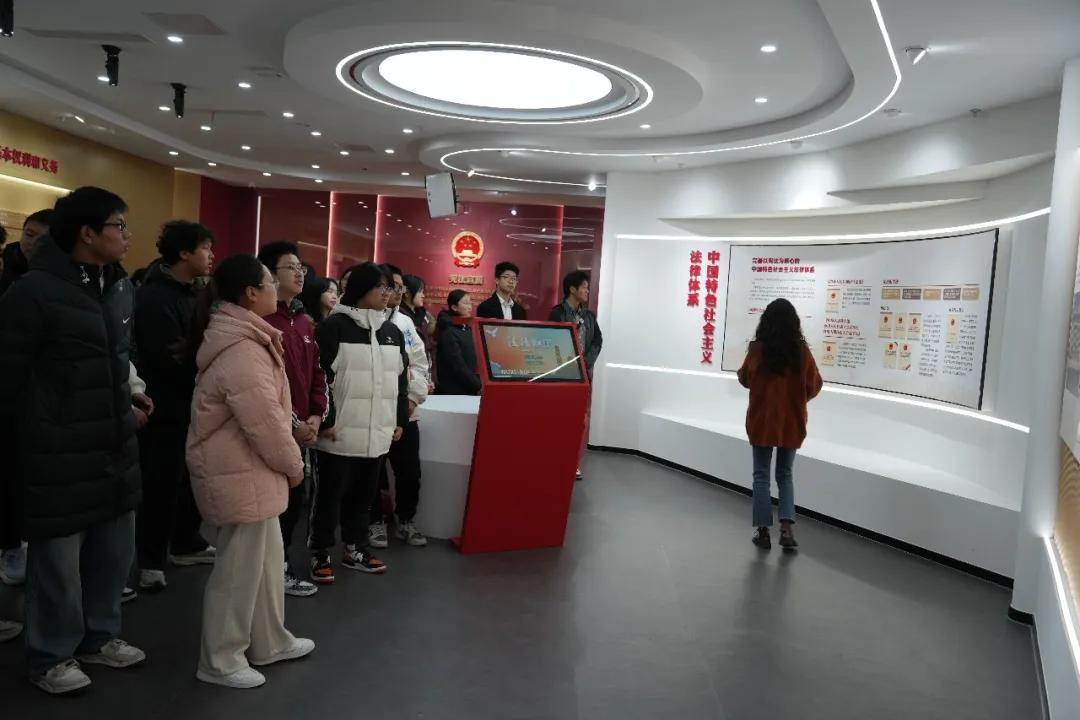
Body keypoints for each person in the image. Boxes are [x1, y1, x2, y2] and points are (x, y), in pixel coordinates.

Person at [0, 187, 145, 694]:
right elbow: (10, 378)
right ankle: (51, 655)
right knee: (57, 564)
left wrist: (130, 397)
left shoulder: (117, 286)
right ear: (87, 233)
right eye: (119, 226)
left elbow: (115, 359)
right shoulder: (33, 292)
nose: (127, 236)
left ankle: (98, 637)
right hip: (56, 450)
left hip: (113, 441)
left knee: (112, 553)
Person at [186, 254, 314, 689]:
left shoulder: (248, 337)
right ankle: (220, 659)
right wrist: (294, 465)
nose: (278, 288)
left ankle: (268, 641)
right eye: (270, 282)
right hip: (238, 471)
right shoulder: (241, 347)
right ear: (250, 293)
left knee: (265, 565)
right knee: (238, 572)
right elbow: (265, 423)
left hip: (252, 471)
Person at [309, 263, 409, 584]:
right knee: (329, 497)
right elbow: (320, 379)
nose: (388, 293)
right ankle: (320, 550)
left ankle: (356, 548)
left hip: (377, 430)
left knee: (364, 498)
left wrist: (399, 419)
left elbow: (400, 380)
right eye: (382, 287)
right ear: (361, 289)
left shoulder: (392, 332)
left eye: (390, 287)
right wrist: (326, 419)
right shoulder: (333, 328)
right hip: (337, 433)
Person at [133, 221, 217, 593]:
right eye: (205, 248)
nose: (211, 255)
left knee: (190, 478)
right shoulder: (155, 296)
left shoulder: (196, 292)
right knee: (161, 484)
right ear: (183, 252)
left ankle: (186, 542)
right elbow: (167, 357)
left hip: (194, 402)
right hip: (165, 406)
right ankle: (151, 561)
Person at [257, 241, 327, 598]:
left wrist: (315, 416)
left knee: (295, 501)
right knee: (272, 505)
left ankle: (280, 565)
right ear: (269, 275)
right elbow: (265, 385)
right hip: (275, 430)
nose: (300, 273)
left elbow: (317, 373)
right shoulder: (261, 321)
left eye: (301, 268)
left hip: (302, 430)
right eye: (291, 267)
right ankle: (270, 571)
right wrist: (296, 424)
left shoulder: (302, 320)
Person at [737, 298, 823, 550]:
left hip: (762, 420)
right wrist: (796, 400)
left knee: (761, 475)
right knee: (785, 475)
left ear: (766, 321)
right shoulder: (801, 352)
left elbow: (745, 378)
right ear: (794, 323)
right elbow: (814, 384)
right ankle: (787, 530)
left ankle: (763, 531)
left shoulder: (757, 350)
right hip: (791, 422)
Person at [368, 264, 430, 549]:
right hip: (373, 412)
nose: (395, 291)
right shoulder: (363, 320)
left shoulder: (406, 323)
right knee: (373, 473)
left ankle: (405, 520)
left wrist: (413, 400)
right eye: (390, 285)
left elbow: (420, 363)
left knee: (409, 473)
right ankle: (374, 521)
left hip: (406, 413)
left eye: (399, 286)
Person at [549, 271, 604, 480]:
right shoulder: (557, 313)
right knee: (558, 420)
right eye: (584, 287)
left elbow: (597, 341)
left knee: (579, 421)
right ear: (572, 289)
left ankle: (573, 462)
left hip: (583, 376)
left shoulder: (589, 316)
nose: (587, 291)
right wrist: (568, 364)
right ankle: (556, 459)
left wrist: (586, 362)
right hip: (561, 376)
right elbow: (550, 342)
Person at [436, 290, 482, 395]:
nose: (470, 307)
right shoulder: (448, 331)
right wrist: (477, 385)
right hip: (455, 390)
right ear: (454, 307)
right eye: (465, 303)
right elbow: (457, 365)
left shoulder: (468, 328)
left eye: (470, 302)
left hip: (470, 387)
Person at [0, 209, 53, 296]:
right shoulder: (4, 260)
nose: (33, 243)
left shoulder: (59, 271)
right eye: (29, 235)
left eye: (44, 239)